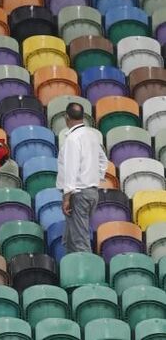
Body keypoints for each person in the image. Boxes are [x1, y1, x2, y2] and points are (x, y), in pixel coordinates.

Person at [57, 102, 107, 253]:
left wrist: (67, 197)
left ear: (67, 117)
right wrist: (93, 178)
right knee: (72, 238)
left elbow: (70, 169)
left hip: (78, 194)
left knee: (80, 240)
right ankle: (74, 273)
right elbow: (103, 160)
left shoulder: (73, 139)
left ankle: (89, 275)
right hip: (92, 192)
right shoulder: (91, 135)